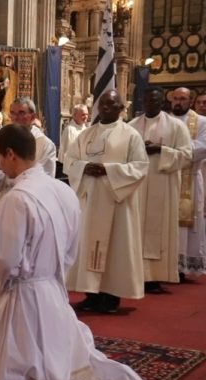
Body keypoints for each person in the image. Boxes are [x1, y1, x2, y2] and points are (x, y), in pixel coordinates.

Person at [0, 124, 167, 380]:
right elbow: (70, 249)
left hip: (25, 294)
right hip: (52, 289)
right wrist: (46, 271)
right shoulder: (63, 190)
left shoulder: (16, 198)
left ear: (11, 154)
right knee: (57, 359)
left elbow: (9, 261)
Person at [63, 90, 148, 313]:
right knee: (86, 245)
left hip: (117, 202)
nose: (105, 107)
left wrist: (108, 171)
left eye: (111, 104)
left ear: (121, 108)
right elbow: (69, 160)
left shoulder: (131, 135)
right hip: (89, 201)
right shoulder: (86, 134)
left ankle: (111, 296)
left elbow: (140, 167)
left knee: (116, 248)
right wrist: (84, 168)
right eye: (102, 104)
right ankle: (91, 294)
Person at [129, 87, 192, 293]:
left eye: (155, 101)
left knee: (160, 229)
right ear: (143, 102)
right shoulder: (131, 126)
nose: (150, 104)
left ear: (162, 103)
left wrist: (160, 150)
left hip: (163, 184)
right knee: (136, 228)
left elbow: (186, 155)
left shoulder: (176, 126)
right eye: (147, 101)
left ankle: (156, 277)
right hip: (138, 186)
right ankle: (135, 274)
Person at [170, 87, 206, 279]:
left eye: (183, 98)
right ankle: (167, 264)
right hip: (166, 179)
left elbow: (202, 147)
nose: (178, 102)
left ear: (190, 101)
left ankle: (183, 267)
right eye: (175, 98)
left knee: (188, 226)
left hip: (189, 179)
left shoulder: (202, 122)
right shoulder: (165, 120)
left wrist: (171, 151)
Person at [9, 97, 57, 176]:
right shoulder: (7, 138)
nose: (15, 118)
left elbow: (45, 176)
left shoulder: (44, 144)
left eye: (21, 113)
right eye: (12, 113)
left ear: (33, 117)